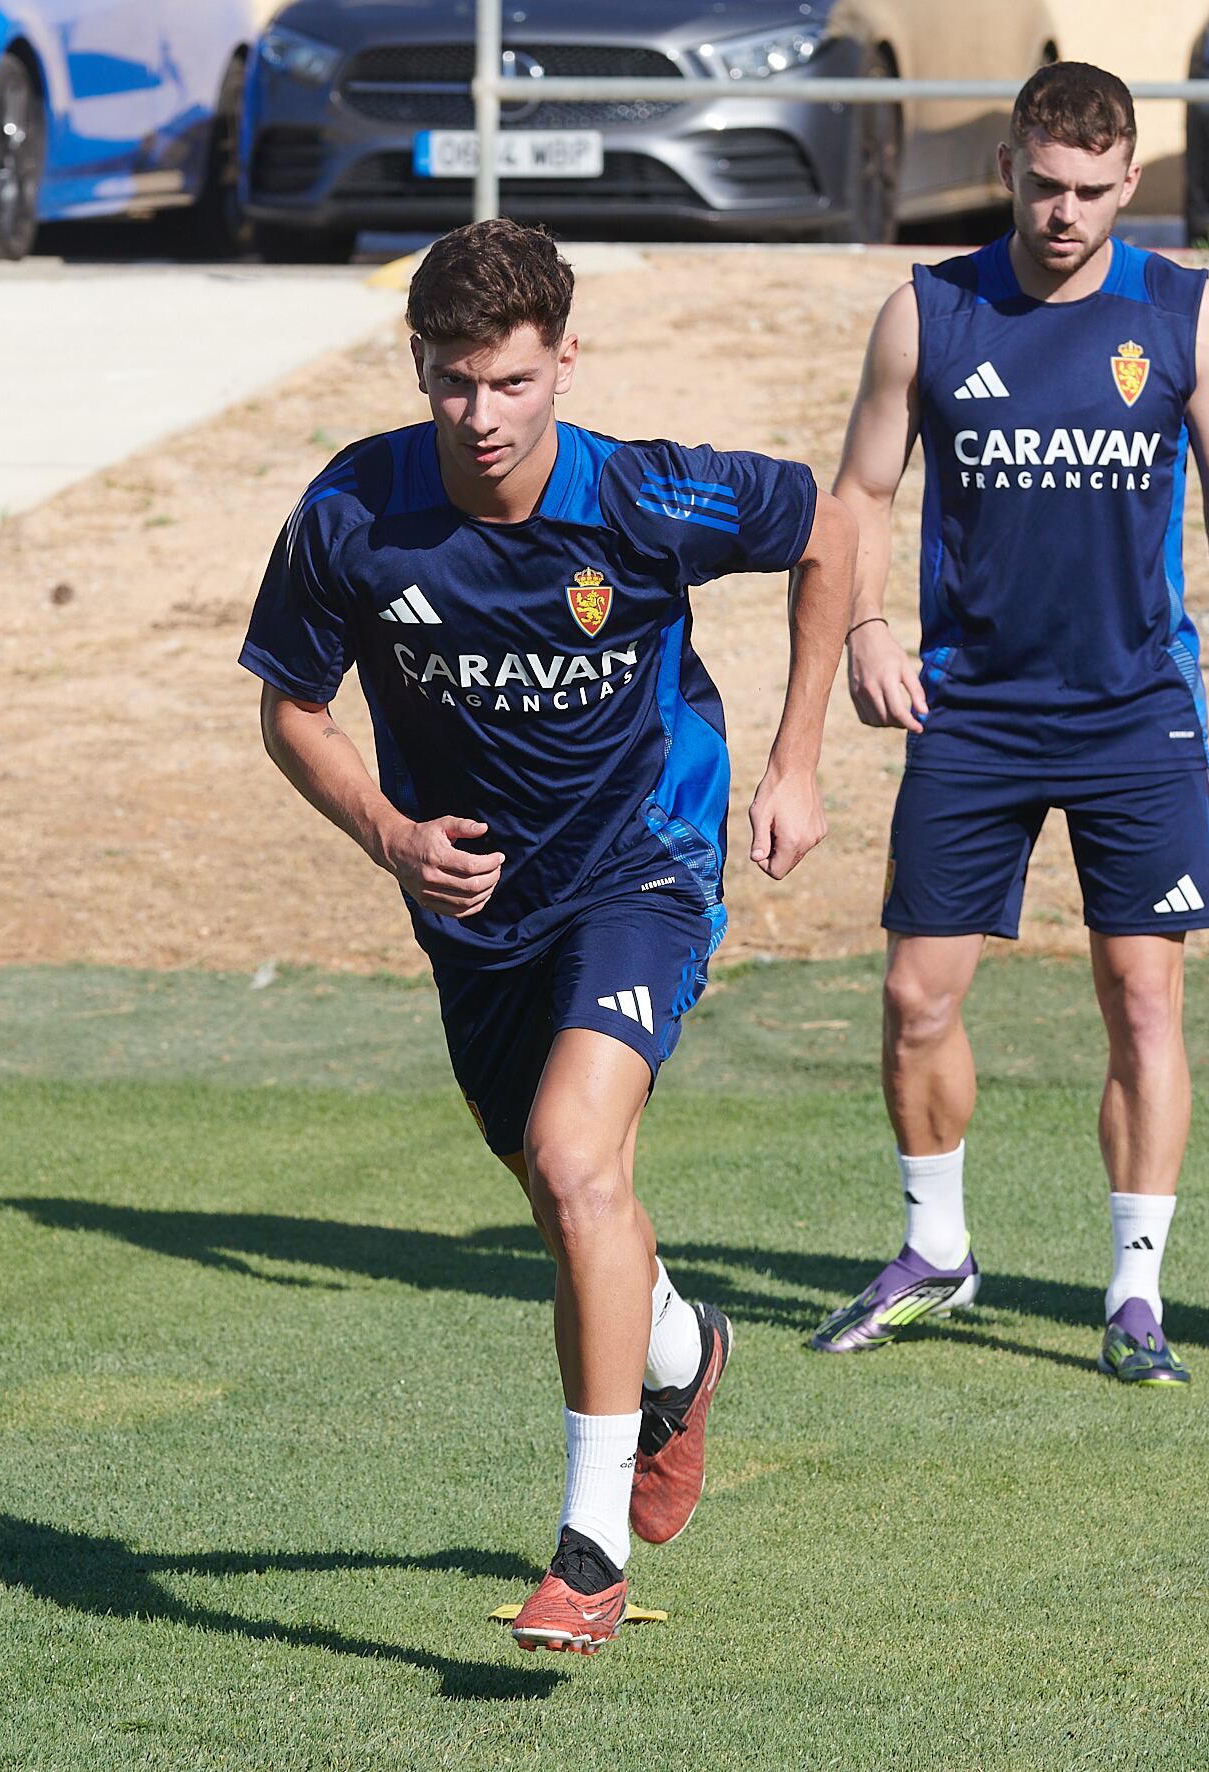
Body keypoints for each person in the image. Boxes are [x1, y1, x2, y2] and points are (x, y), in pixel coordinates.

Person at [240, 219, 853, 1649]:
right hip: (474, 918)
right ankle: (685, 1351)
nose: (481, 416)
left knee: (581, 1165)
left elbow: (828, 527)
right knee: (563, 1198)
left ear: (564, 360)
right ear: (420, 366)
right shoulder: (352, 509)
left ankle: (586, 1551)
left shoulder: (642, 500)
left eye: (511, 382)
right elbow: (289, 707)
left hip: (641, 863)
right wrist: (388, 835)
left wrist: (797, 754)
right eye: (452, 382)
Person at [814, 61, 1209, 1385]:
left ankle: (1135, 1296)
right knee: (915, 997)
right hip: (973, 715)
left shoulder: (1187, 312)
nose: (1064, 212)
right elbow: (858, 493)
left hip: (1137, 713)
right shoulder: (929, 310)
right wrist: (864, 630)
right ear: (1007, 168)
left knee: (1140, 1000)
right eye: (1043, 184)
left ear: (1128, 181)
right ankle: (937, 1251)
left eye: (1091, 189)